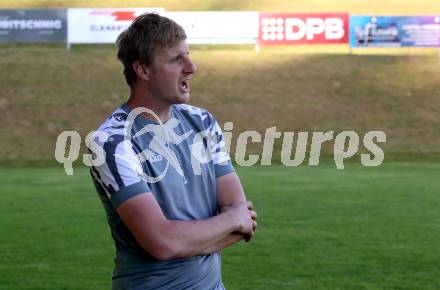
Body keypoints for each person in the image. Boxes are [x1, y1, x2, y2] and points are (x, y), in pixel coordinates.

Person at [89, 13, 257, 290]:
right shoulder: (111, 141)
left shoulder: (202, 122)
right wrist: (227, 221)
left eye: (188, 55)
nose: (192, 67)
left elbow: (245, 223)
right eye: (176, 59)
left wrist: (188, 238)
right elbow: (161, 242)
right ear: (143, 70)